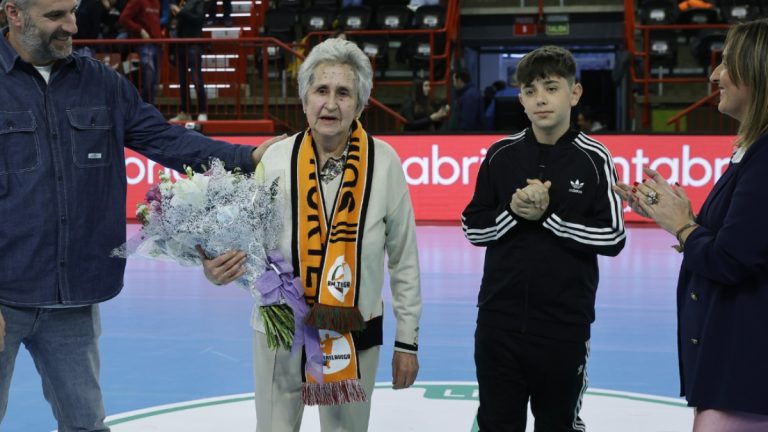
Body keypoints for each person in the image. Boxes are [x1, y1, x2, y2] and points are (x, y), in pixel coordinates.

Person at [0, 0, 275, 429]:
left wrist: (249, 156)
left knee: (86, 425)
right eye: (55, 16)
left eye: (72, 11)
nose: (71, 25)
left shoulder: (101, 84)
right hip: (5, 294)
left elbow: (167, 141)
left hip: (75, 298)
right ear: (14, 14)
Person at [200, 37, 422, 431]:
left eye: (344, 93)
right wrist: (215, 266)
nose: (331, 104)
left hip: (353, 331)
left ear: (361, 104)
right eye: (321, 90)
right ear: (304, 100)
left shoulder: (384, 162)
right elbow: (243, 244)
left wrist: (407, 341)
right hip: (279, 329)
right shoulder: (276, 159)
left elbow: (404, 260)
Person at [461, 45, 626, 431]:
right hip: (497, 324)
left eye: (551, 88)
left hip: (563, 327)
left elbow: (613, 237)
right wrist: (514, 213)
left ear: (575, 93)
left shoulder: (595, 158)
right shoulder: (500, 155)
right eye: (531, 91)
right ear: (520, 98)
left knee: (558, 425)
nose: (541, 99)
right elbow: (473, 227)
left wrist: (549, 215)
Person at [614, 18, 768, 430]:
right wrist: (678, 218)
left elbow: (731, 259)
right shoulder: (753, 152)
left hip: (745, 380)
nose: (715, 75)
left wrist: (684, 228)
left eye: (726, 64)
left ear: (756, 72)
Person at [169, 0, 210, 122]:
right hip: (179, 45)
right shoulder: (177, 2)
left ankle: (202, 111)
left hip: (193, 45)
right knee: (182, 81)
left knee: (197, 79)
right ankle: (185, 111)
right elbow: (173, 24)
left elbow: (198, 19)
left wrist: (180, 12)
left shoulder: (197, 2)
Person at [119, 0, 162, 104]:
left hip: (157, 43)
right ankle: (145, 109)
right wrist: (140, 30)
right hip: (145, 44)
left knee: (153, 81)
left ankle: (148, 110)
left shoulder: (156, 2)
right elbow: (124, 18)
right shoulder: (137, 1)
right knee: (148, 79)